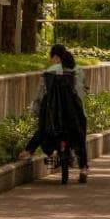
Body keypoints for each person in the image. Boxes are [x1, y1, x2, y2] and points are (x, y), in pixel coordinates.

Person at [24, 44, 90, 185]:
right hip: (75, 114)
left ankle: (35, 151)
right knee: (80, 138)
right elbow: (83, 91)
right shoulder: (78, 70)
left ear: (55, 57)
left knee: (43, 129)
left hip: (54, 115)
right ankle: (83, 169)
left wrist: (35, 109)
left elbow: (40, 94)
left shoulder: (50, 72)